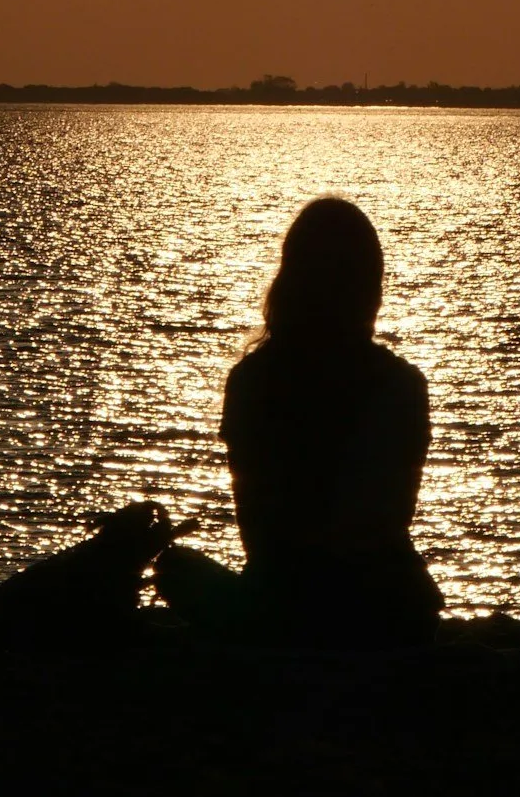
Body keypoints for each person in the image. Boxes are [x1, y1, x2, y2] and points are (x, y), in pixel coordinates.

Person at [155, 195, 442, 645]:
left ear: (290, 279)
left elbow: (258, 530)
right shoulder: (404, 384)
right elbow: (394, 517)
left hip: (283, 607)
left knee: (176, 571)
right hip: (392, 607)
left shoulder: (251, 381)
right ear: (370, 287)